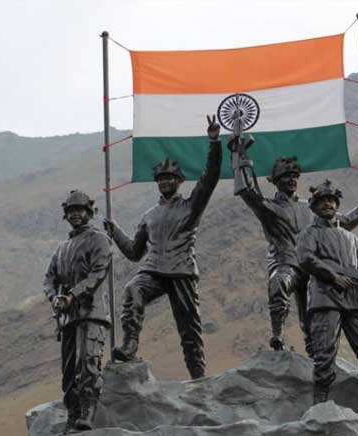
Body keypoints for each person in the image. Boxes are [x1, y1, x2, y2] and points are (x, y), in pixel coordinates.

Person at [103, 115, 222, 380]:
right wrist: (116, 232)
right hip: (153, 270)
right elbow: (134, 252)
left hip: (181, 271)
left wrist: (214, 143)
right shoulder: (149, 216)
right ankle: (130, 345)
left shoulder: (190, 206)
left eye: (170, 178)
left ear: (179, 181)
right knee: (133, 289)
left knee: (189, 328)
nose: (165, 182)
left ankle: (198, 376)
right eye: (161, 179)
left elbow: (210, 178)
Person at [235, 156, 358, 354]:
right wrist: (240, 161)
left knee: (311, 317)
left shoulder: (312, 208)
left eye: (294, 176)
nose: (292, 179)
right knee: (278, 283)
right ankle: (277, 335)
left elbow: (347, 221)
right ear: (275, 180)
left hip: (314, 269)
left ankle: (314, 351)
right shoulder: (267, 206)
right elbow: (245, 191)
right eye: (286, 176)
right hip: (286, 263)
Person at [296, 179, 358, 419]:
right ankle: (320, 406)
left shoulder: (353, 240)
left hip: (355, 302)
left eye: (331, 200)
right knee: (324, 354)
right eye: (322, 201)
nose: (328, 204)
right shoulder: (309, 234)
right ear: (314, 207)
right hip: (325, 299)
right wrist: (333, 277)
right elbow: (306, 259)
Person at [42, 190, 112, 434]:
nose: (75, 215)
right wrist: (54, 297)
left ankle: (87, 413)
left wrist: (73, 294)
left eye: (80, 210)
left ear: (88, 212)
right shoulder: (62, 248)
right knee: (69, 371)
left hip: (92, 312)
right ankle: (72, 416)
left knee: (88, 362)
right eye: (71, 211)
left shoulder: (99, 240)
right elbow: (49, 279)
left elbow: (98, 273)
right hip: (68, 317)